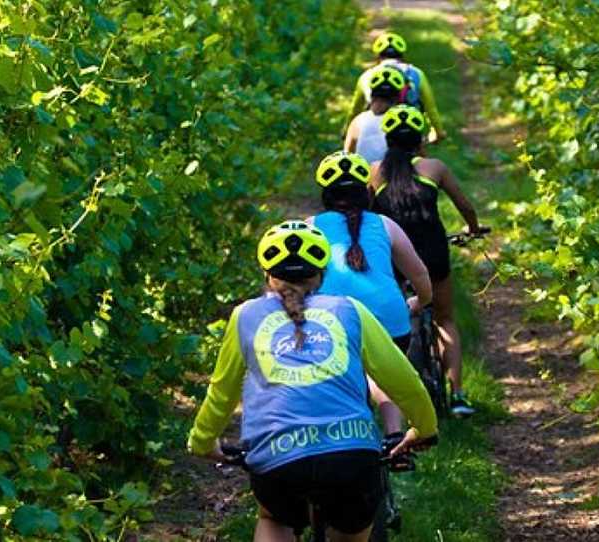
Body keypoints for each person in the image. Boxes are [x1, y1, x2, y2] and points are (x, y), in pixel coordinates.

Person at [188, 220, 438, 542]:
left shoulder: (245, 316)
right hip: (352, 456)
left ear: (267, 274)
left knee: (274, 518)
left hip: (277, 458)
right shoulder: (350, 310)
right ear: (321, 274)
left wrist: (203, 441)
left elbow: (222, 392)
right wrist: (424, 427)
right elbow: (404, 381)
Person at [309, 150, 432, 437]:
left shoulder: (310, 227)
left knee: (339, 379)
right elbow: (419, 274)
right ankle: (394, 435)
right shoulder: (386, 225)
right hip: (390, 317)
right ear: (368, 191)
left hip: (333, 319)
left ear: (325, 194)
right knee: (384, 376)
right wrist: (421, 301)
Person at [370, 105, 482, 417]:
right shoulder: (435, 168)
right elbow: (465, 205)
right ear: (421, 139)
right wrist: (472, 229)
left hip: (393, 258)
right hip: (433, 254)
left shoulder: (374, 171)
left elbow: (367, 217)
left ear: (388, 139)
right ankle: (457, 394)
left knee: (393, 324)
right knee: (445, 320)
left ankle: (396, 397)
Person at [346, 31, 446, 143]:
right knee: (420, 159)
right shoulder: (417, 74)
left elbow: (355, 110)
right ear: (402, 55)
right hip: (408, 132)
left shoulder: (366, 76)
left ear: (378, 56)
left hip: (375, 131)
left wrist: (346, 131)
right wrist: (438, 132)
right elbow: (430, 109)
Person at [344, 66, 405, 164]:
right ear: (399, 96)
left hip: (366, 176)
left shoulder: (358, 122)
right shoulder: (405, 121)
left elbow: (347, 156)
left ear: (371, 95)